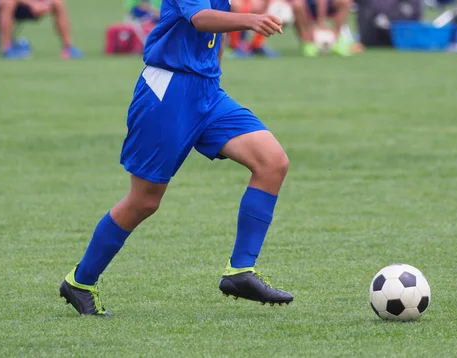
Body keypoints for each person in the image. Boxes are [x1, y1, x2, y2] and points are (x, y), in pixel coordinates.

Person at [59, 0, 294, 316]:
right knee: (144, 201)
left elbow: (215, 33)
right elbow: (200, 19)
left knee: (272, 162)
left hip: (208, 92)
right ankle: (80, 282)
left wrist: (215, 71)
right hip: (167, 91)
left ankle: (240, 272)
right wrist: (249, 20)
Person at [0, 0, 83, 59]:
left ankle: (68, 49)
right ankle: (6, 49)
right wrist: (32, 3)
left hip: (28, 5)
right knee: (7, 2)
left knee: (58, 3)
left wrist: (46, 3)